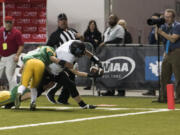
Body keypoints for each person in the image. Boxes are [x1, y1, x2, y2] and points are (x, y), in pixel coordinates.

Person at [14, 46, 73, 110]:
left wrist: (22, 70)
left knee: (24, 84)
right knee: (34, 86)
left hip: (29, 63)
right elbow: (53, 61)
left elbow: (21, 69)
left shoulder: (30, 52)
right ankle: (33, 103)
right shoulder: (48, 49)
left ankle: (19, 93)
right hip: (40, 64)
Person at [46, 40, 103, 105]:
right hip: (53, 67)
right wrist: (90, 75)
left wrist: (98, 62)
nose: (81, 55)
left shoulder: (75, 44)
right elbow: (77, 73)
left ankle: (61, 98)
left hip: (60, 63)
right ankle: (52, 93)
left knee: (69, 81)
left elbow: (86, 52)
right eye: (79, 54)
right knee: (65, 79)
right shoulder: (68, 57)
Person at [47, 13, 83, 104]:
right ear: (58, 22)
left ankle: (62, 98)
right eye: (61, 20)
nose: (63, 22)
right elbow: (48, 47)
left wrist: (81, 38)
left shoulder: (73, 31)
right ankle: (53, 93)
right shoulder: (55, 35)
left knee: (70, 80)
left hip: (72, 60)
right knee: (67, 80)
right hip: (62, 61)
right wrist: (54, 58)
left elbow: (80, 44)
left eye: (64, 20)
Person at [155, 9, 180, 103]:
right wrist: (157, 28)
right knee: (164, 76)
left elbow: (173, 39)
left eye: (169, 17)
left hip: (177, 52)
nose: (167, 19)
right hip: (167, 52)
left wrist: (161, 32)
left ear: (173, 17)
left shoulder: (178, 26)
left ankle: (179, 97)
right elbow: (158, 39)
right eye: (166, 17)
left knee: (178, 76)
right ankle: (164, 97)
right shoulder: (164, 27)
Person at [99, 14, 125, 96]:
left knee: (118, 72)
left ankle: (121, 91)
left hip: (116, 53)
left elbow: (119, 39)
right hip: (107, 53)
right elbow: (105, 38)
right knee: (109, 73)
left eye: (112, 19)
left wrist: (106, 43)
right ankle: (110, 90)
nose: (110, 20)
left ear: (116, 20)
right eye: (109, 18)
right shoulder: (108, 29)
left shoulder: (119, 28)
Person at [0, 16, 24, 90]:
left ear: (12, 23)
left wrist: (17, 55)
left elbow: (21, 45)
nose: (8, 24)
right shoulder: (1, 30)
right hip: (2, 57)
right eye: (7, 22)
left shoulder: (17, 33)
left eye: (10, 22)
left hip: (11, 56)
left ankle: (13, 93)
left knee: (9, 75)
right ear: (4, 22)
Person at [143, 13, 162, 96]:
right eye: (152, 19)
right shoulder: (152, 29)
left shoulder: (161, 27)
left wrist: (157, 28)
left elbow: (158, 39)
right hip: (152, 51)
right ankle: (151, 89)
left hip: (159, 51)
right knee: (150, 72)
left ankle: (161, 90)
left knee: (160, 72)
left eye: (155, 19)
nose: (153, 21)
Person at [83, 20, 102, 90]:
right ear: (89, 25)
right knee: (88, 68)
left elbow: (99, 42)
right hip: (88, 53)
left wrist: (91, 40)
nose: (92, 26)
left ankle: (97, 84)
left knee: (96, 68)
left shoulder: (98, 33)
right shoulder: (86, 33)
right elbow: (85, 40)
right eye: (91, 24)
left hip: (96, 53)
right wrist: (93, 40)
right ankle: (88, 85)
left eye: (93, 24)